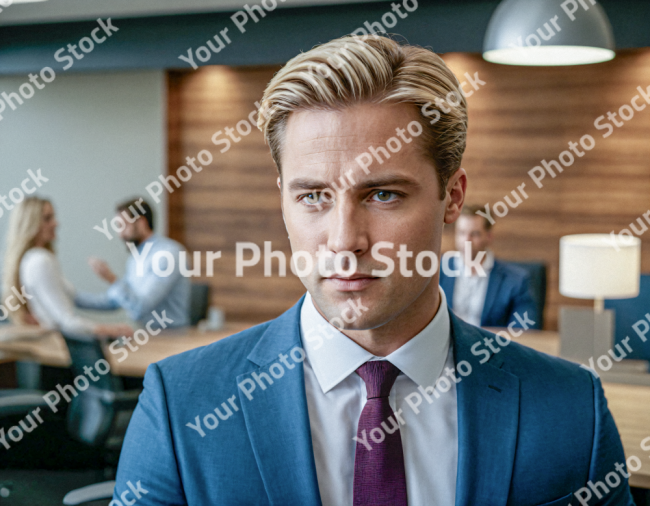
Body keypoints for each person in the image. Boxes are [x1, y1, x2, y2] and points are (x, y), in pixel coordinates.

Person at [113, 35, 633, 505]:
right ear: (284, 201)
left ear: (452, 197)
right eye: (313, 196)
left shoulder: (571, 410)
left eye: (383, 194)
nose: (344, 240)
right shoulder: (182, 404)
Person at [2, 196, 132, 338]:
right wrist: (114, 330)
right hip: (62, 348)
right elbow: (67, 322)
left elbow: (79, 299)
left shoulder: (30, 259)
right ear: (31, 223)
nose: (56, 223)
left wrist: (113, 281)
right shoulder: (41, 261)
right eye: (47, 218)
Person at [75, 198, 190, 329]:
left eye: (123, 226)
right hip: (144, 334)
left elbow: (141, 308)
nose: (120, 234)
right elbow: (114, 301)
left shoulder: (168, 254)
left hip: (170, 337)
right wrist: (70, 296)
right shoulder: (136, 258)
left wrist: (111, 279)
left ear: (141, 223)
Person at [439, 204, 540, 328]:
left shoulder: (516, 280)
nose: (467, 240)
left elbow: (524, 330)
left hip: (489, 345)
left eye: (474, 234)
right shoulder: (437, 270)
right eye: (461, 233)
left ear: (489, 236)